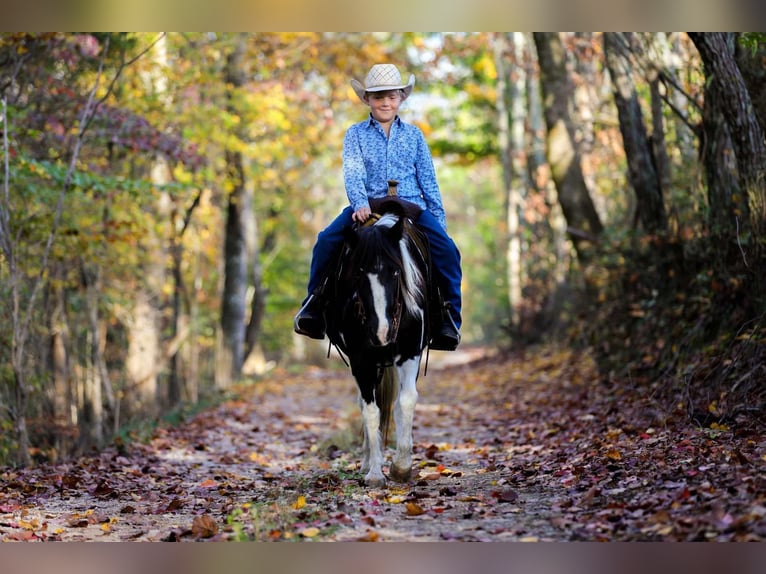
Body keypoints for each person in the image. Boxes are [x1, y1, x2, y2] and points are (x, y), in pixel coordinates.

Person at [294, 63, 462, 351]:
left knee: (447, 250)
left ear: (401, 99)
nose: (386, 102)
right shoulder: (355, 134)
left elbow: (428, 179)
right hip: (369, 206)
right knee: (326, 240)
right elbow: (353, 171)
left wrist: (438, 219)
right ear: (367, 100)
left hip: (411, 207)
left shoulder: (414, 135)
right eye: (378, 97)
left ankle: (448, 317)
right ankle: (315, 305)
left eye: (392, 96)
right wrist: (359, 203)